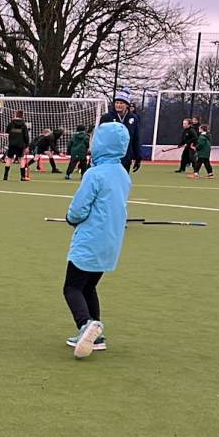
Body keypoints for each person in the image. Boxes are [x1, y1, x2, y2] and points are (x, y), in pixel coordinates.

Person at [62, 121, 132, 358]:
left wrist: (70, 218)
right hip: (111, 241)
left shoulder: (94, 174)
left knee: (72, 287)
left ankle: (85, 324)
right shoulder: (122, 174)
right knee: (88, 286)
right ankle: (97, 335)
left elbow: (79, 209)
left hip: (90, 239)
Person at [103, 94, 142, 172]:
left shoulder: (133, 118)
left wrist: (138, 157)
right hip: (110, 157)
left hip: (126, 157)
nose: (118, 105)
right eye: (117, 103)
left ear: (127, 105)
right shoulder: (107, 117)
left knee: (123, 178)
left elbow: (135, 138)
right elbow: (101, 138)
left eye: (121, 103)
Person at [2, 108, 30, 182]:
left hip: (11, 144)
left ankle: (5, 176)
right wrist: (27, 146)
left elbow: (7, 132)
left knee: (9, 159)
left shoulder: (11, 123)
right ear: (22, 116)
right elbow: (26, 136)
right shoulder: (23, 125)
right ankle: (22, 177)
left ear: (16, 115)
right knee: (21, 159)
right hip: (20, 145)